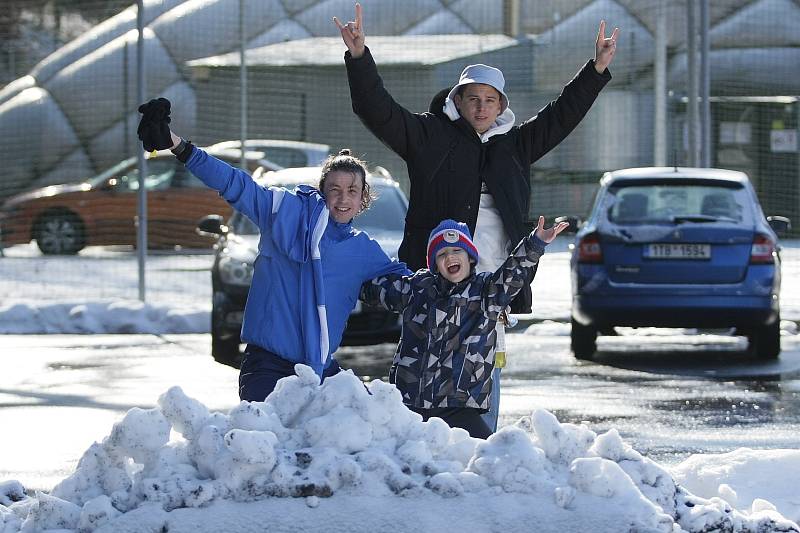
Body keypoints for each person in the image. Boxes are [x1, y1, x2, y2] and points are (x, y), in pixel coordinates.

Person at [334, 3, 619, 432]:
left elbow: (563, 116)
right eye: (473, 99)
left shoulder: (517, 145)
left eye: (490, 101)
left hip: (492, 280)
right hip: (435, 281)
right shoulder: (428, 136)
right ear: (458, 101)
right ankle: (416, 436)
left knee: (484, 361)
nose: (481, 108)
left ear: (501, 106)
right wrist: (359, 58)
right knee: (426, 359)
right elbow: (379, 111)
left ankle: (479, 445)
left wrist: (595, 70)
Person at [136, 99, 410, 401]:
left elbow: (409, 284)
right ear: (321, 192)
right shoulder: (284, 213)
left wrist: (450, 264)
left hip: (319, 369)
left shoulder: (364, 250)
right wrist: (180, 147)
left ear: (363, 200)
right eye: (334, 189)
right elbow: (234, 183)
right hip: (268, 366)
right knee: (264, 439)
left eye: (352, 191)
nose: (343, 198)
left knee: (365, 424)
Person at [360, 216, 568, 439]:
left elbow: (513, 271)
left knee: (481, 456)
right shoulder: (417, 289)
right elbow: (373, 288)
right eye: (442, 254)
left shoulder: (487, 292)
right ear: (435, 265)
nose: (450, 257)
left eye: (457, 251)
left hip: (459, 405)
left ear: (470, 258)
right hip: (412, 403)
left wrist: (535, 243)